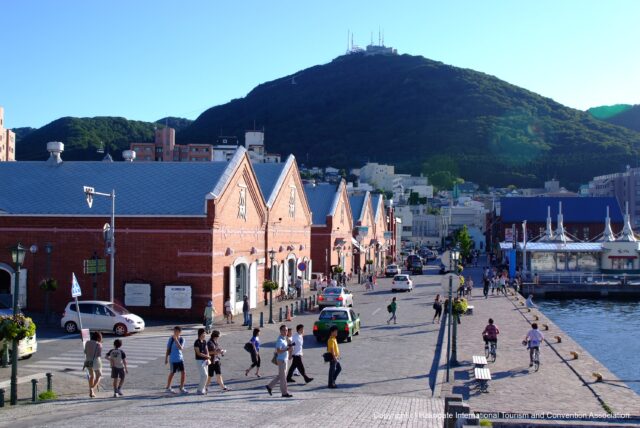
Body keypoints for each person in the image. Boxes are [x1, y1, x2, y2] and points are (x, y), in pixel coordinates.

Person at [266, 325, 293, 398]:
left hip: (285, 359)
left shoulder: (284, 338)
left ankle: (269, 386)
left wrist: (289, 348)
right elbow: (278, 351)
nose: (285, 332)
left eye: (286, 330)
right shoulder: (280, 340)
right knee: (283, 378)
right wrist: (286, 349)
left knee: (281, 375)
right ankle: (284, 393)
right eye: (284, 330)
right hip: (281, 360)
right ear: (280, 331)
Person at [165, 326, 188, 394]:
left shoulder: (182, 339)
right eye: (174, 331)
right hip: (173, 359)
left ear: (179, 332)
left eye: (176, 331)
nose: (174, 332)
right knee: (172, 373)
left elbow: (180, 348)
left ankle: (181, 387)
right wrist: (166, 358)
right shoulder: (171, 339)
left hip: (180, 358)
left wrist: (176, 339)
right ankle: (168, 388)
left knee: (183, 373)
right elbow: (168, 349)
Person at [84, 331, 103, 398]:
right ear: (98, 337)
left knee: (92, 376)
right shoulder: (99, 344)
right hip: (96, 361)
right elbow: (99, 355)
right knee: (99, 375)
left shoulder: (87, 342)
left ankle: (91, 391)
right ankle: (92, 388)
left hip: (88, 360)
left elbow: (85, 352)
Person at [194, 328, 210, 395]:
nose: (205, 334)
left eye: (205, 333)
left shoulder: (204, 341)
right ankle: (199, 390)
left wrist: (208, 357)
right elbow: (198, 353)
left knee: (205, 375)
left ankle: (202, 389)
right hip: (199, 360)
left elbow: (207, 350)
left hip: (205, 360)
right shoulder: (196, 342)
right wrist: (206, 356)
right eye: (203, 333)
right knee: (204, 375)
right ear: (200, 334)